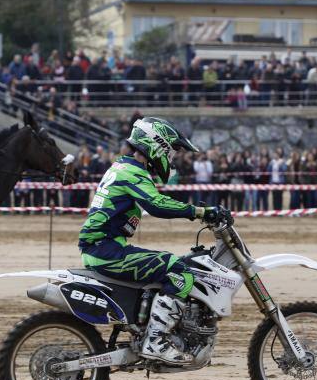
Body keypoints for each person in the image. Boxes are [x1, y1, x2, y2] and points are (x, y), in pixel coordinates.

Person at [78, 117, 220, 365]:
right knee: (179, 271)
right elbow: (157, 204)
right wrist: (201, 212)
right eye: (173, 150)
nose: (173, 158)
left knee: (167, 264)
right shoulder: (131, 172)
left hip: (105, 247)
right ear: (158, 144)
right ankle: (155, 341)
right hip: (105, 249)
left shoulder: (123, 167)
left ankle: (150, 329)